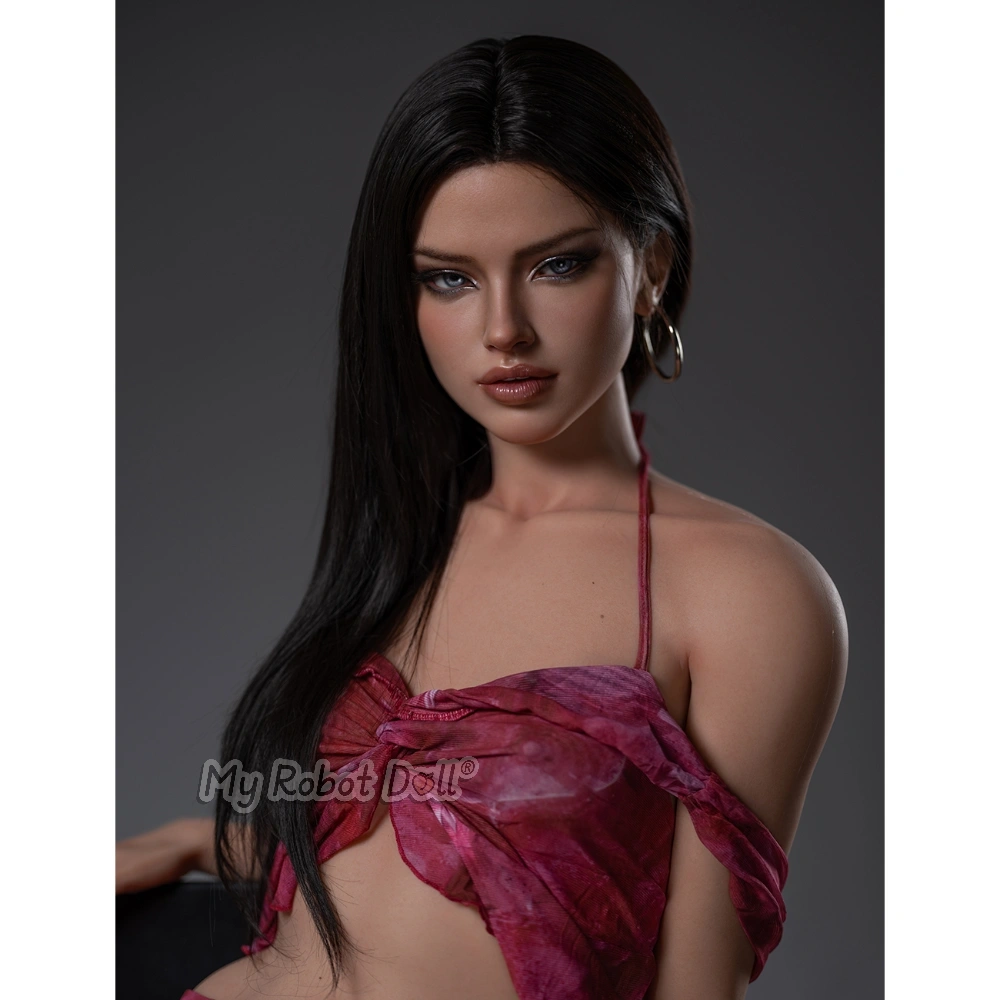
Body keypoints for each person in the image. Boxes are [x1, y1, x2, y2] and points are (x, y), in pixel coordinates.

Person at [116, 34, 848, 1000]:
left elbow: (692, 978)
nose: (504, 328)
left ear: (651, 268)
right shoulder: (407, 543)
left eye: (558, 265)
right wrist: (196, 839)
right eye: (449, 278)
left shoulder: (746, 592)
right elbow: (401, 829)